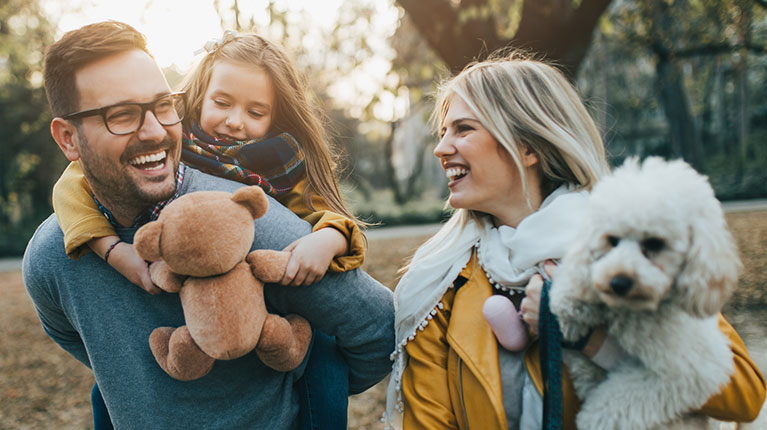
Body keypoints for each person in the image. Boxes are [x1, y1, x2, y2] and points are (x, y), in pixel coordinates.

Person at [23, 20, 394, 429]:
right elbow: (76, 339)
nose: (154, 131)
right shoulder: (51, 258)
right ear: (67, 139)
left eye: (162, 105)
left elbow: (379, 332)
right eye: (121, 115)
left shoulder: (256, 224)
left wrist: (302, 388)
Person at [383, 52, 766, 429]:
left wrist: (592, 342)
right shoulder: (436, 285)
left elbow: (745, 395)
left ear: (528, 147)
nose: (441, 147)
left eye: (463, 129)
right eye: (443, 131)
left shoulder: (622, 247)